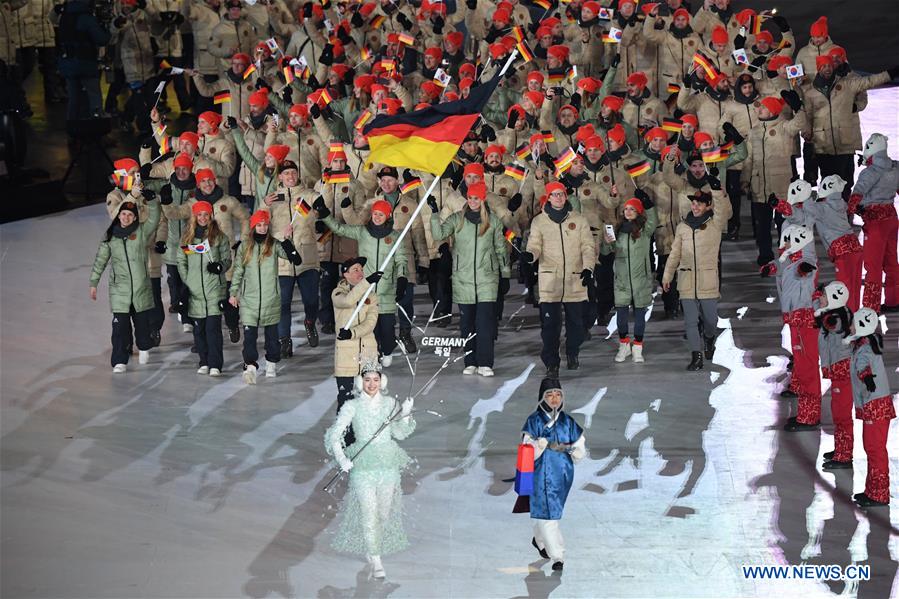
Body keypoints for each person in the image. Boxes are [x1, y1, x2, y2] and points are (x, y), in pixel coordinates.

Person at [324, 364, 415, 580]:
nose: (371, 384)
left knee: (383, 513)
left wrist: (406, 414)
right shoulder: (352, 406)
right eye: (367, 380)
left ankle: (372, 547)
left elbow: (401, 434)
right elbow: (334, 436)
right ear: (360, 382)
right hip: (363, 466)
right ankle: (375, 558)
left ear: (381, 382)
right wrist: (342, 459)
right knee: (369, 511)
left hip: (388, 464)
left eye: (375, 379)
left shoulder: (390, 404)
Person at [429, 182, 511, 377]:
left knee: (485, 322)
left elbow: (501, 249)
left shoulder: (492, 222)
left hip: (487, 279)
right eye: (470, 197)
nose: (473, 201)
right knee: (467, 323)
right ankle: (470, 360)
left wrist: (505, 274)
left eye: (476, 198)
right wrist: (433, 213)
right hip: (463, 278)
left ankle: (485, 362)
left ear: (482, 199)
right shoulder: (457, 219)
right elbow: (438, 234)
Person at [317, 197, 408, 367]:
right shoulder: (363, 232)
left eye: (381, 214)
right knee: (370, 329)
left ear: (387, 216)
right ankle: (374, 357)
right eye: (375, 214)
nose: (377, 217)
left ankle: (387, 349)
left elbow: (402, 260)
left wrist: (402, 279)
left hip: (387, 288)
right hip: (366, 288)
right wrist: (325, 215)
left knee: (387, 328)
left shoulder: (395, 237)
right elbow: (340, 229)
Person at [523, 182, 596, 376]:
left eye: (561, 194)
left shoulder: (579, 220)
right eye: (554, 195)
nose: (558, 198)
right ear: (548, 197)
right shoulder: (539, 221)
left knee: (577, 326)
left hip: (575, 279)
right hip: (550, 283)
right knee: (550, 327)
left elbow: (588, 246)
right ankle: (551, 363)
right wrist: (530, 255)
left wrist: (588, 268)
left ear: (566, 196)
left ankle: (572, 353)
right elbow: (535, 245)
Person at [89, 193, 161, 373]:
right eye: (123, 214)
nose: (126, 217)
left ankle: (144, 347)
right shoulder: (110, 235)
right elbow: (101, 260)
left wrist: (151, 200)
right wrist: (94, 282)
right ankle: (120, 360)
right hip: (119, 290)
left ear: (135, 217)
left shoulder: (142, 232)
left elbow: (155, 217)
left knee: (142, 325)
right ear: (118, 215)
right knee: (119, 327)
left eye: (130, 215)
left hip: (140, 288)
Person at [229, 210, 302, 384]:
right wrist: (233, 293)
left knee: (272, 336)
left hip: (271, 298)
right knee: (249, 338)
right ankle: (251, 366)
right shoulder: (244, 246)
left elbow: (295, 259)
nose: (262, 228)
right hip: (249, 300)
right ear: (254, 226)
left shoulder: (275, 245)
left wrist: (287, 240)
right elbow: (238, 271)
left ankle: (271, 363)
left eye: (265, 224)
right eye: (259, 225)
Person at [522, 378, 586, 572]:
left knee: (547, 512)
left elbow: (579, 442)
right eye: (549, 394)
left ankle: (539, 539)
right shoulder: (534, 420)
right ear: (542, 397)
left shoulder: (567, 421)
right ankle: (557, 555)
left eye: (558, 394)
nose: (554, 398)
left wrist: (577, 451)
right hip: (541, 472)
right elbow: (526, 449)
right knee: (550, 514)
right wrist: (538, 445)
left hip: (563, 473)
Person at [662, 189, 730, 371]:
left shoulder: (715, 223)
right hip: (686, 279)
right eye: (693, 203)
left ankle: (709, 338)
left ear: (708, 205)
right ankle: (696, 356)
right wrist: (667, 276)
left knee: (711, 320)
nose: (695, 206)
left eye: (699, 203)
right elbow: (675, 253)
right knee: (690, 321)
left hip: (707, 279)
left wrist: (717, 191)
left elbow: (723, 210)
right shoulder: (683, 226)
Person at [773, 225, 822, 432]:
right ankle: (805, 411)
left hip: (804, 321)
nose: (783, 245)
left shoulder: (804, 261)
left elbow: (807, 268)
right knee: (802, 365)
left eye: (787, 241)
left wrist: (804, 270)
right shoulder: (791, 261)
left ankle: (810, 417)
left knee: (808, 367)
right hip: (797, 320)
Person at [844, 307, 894, 508]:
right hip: (873, 404)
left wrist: (866, 377)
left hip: (875, 405)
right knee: (871, 447)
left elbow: (863, 365)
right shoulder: (864, 343)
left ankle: (880, 494)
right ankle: (873, 490)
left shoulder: (865, 347)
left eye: (854, 323)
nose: (850, 326)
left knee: (875, 449)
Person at [176, 201, 232, 377]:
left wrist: (219, 267)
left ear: (211, 216)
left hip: (214, 289)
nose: (202, 218)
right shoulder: (187, 239)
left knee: (212, 329)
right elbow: (181, 261)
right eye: (199, 215)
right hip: (195, 293)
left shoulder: (220, 238)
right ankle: (204, 361)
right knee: (199, 330)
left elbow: (227, 260)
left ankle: (215, 363)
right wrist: (189, 280)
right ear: (194, 217)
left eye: (205, 215)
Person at [332, 258, 381, 446]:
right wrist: (367, 283)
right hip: (346, 356)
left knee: (368, 399)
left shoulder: (371, 295)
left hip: (367, 354)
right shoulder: (338, 293)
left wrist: (353, 332)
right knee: (346, 400)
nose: (360, 272)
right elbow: (348, 301)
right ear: (345, 274)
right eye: (355, 269)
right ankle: (345, 438)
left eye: (361, 269)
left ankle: (366, 437)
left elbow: (371, 322)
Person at [849, 133, 899, 312]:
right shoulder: (895, 167)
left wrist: (851, 211)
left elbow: (857, 195)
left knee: (873, 265)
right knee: (892, 261)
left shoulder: (870, 172)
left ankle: (871, 306)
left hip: (875, 222)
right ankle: (894, 300)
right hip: (892, 218)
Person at [608, 194, 657, 363]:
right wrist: (608, 243)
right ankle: (624, 345)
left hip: (640, 280)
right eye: (626, 209)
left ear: (638, 212)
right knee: (621, 319)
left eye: (632, 209)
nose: (628, 212)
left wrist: (649, 205)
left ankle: (637, 347)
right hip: (621, 280)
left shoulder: (645, 231)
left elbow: (653, 219)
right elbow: (610, 251)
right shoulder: (617, 230)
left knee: (639, 317)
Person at [814, 281, 854, 470]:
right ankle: (841, 448)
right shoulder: (837, 313)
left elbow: (825, 323)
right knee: (838, 411)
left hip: (843, 373)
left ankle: (844, 455)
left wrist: (821, 310)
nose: (820, 299)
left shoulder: (835, 319)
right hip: (840, 373)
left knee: (842, 415)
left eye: (824, 296)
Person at [56, 0, 110, 119]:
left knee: (73, 97)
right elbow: (102, 39)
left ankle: (72, 125)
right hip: (86, 62)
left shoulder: (64, 16)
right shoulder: (86, 18)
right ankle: (96, 123)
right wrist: (107, 29)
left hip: (68, 63)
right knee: (93, 94)